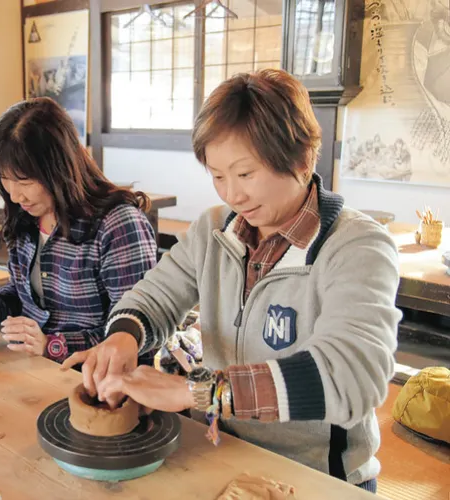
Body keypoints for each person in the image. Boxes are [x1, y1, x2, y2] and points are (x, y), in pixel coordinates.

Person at [62, 69, 401, 493]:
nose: (232, 195)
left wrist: (200, 392)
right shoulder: (214, 230)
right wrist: (123, 337)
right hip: (222, 450)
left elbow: (353, 376)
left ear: (302, 159)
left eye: (245, 174)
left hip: (315, 476)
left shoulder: (356, 246)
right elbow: (156, 295)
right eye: (218, 176)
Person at [0, 98, 158, 364]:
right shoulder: (26, 218)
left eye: (24, 181)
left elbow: (137, 333)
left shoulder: (118, 225)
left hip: (98, 377)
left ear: (59, 170)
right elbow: (25, 295)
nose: (14, 196)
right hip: (36, 368)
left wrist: (53, 345)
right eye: (5, 181)